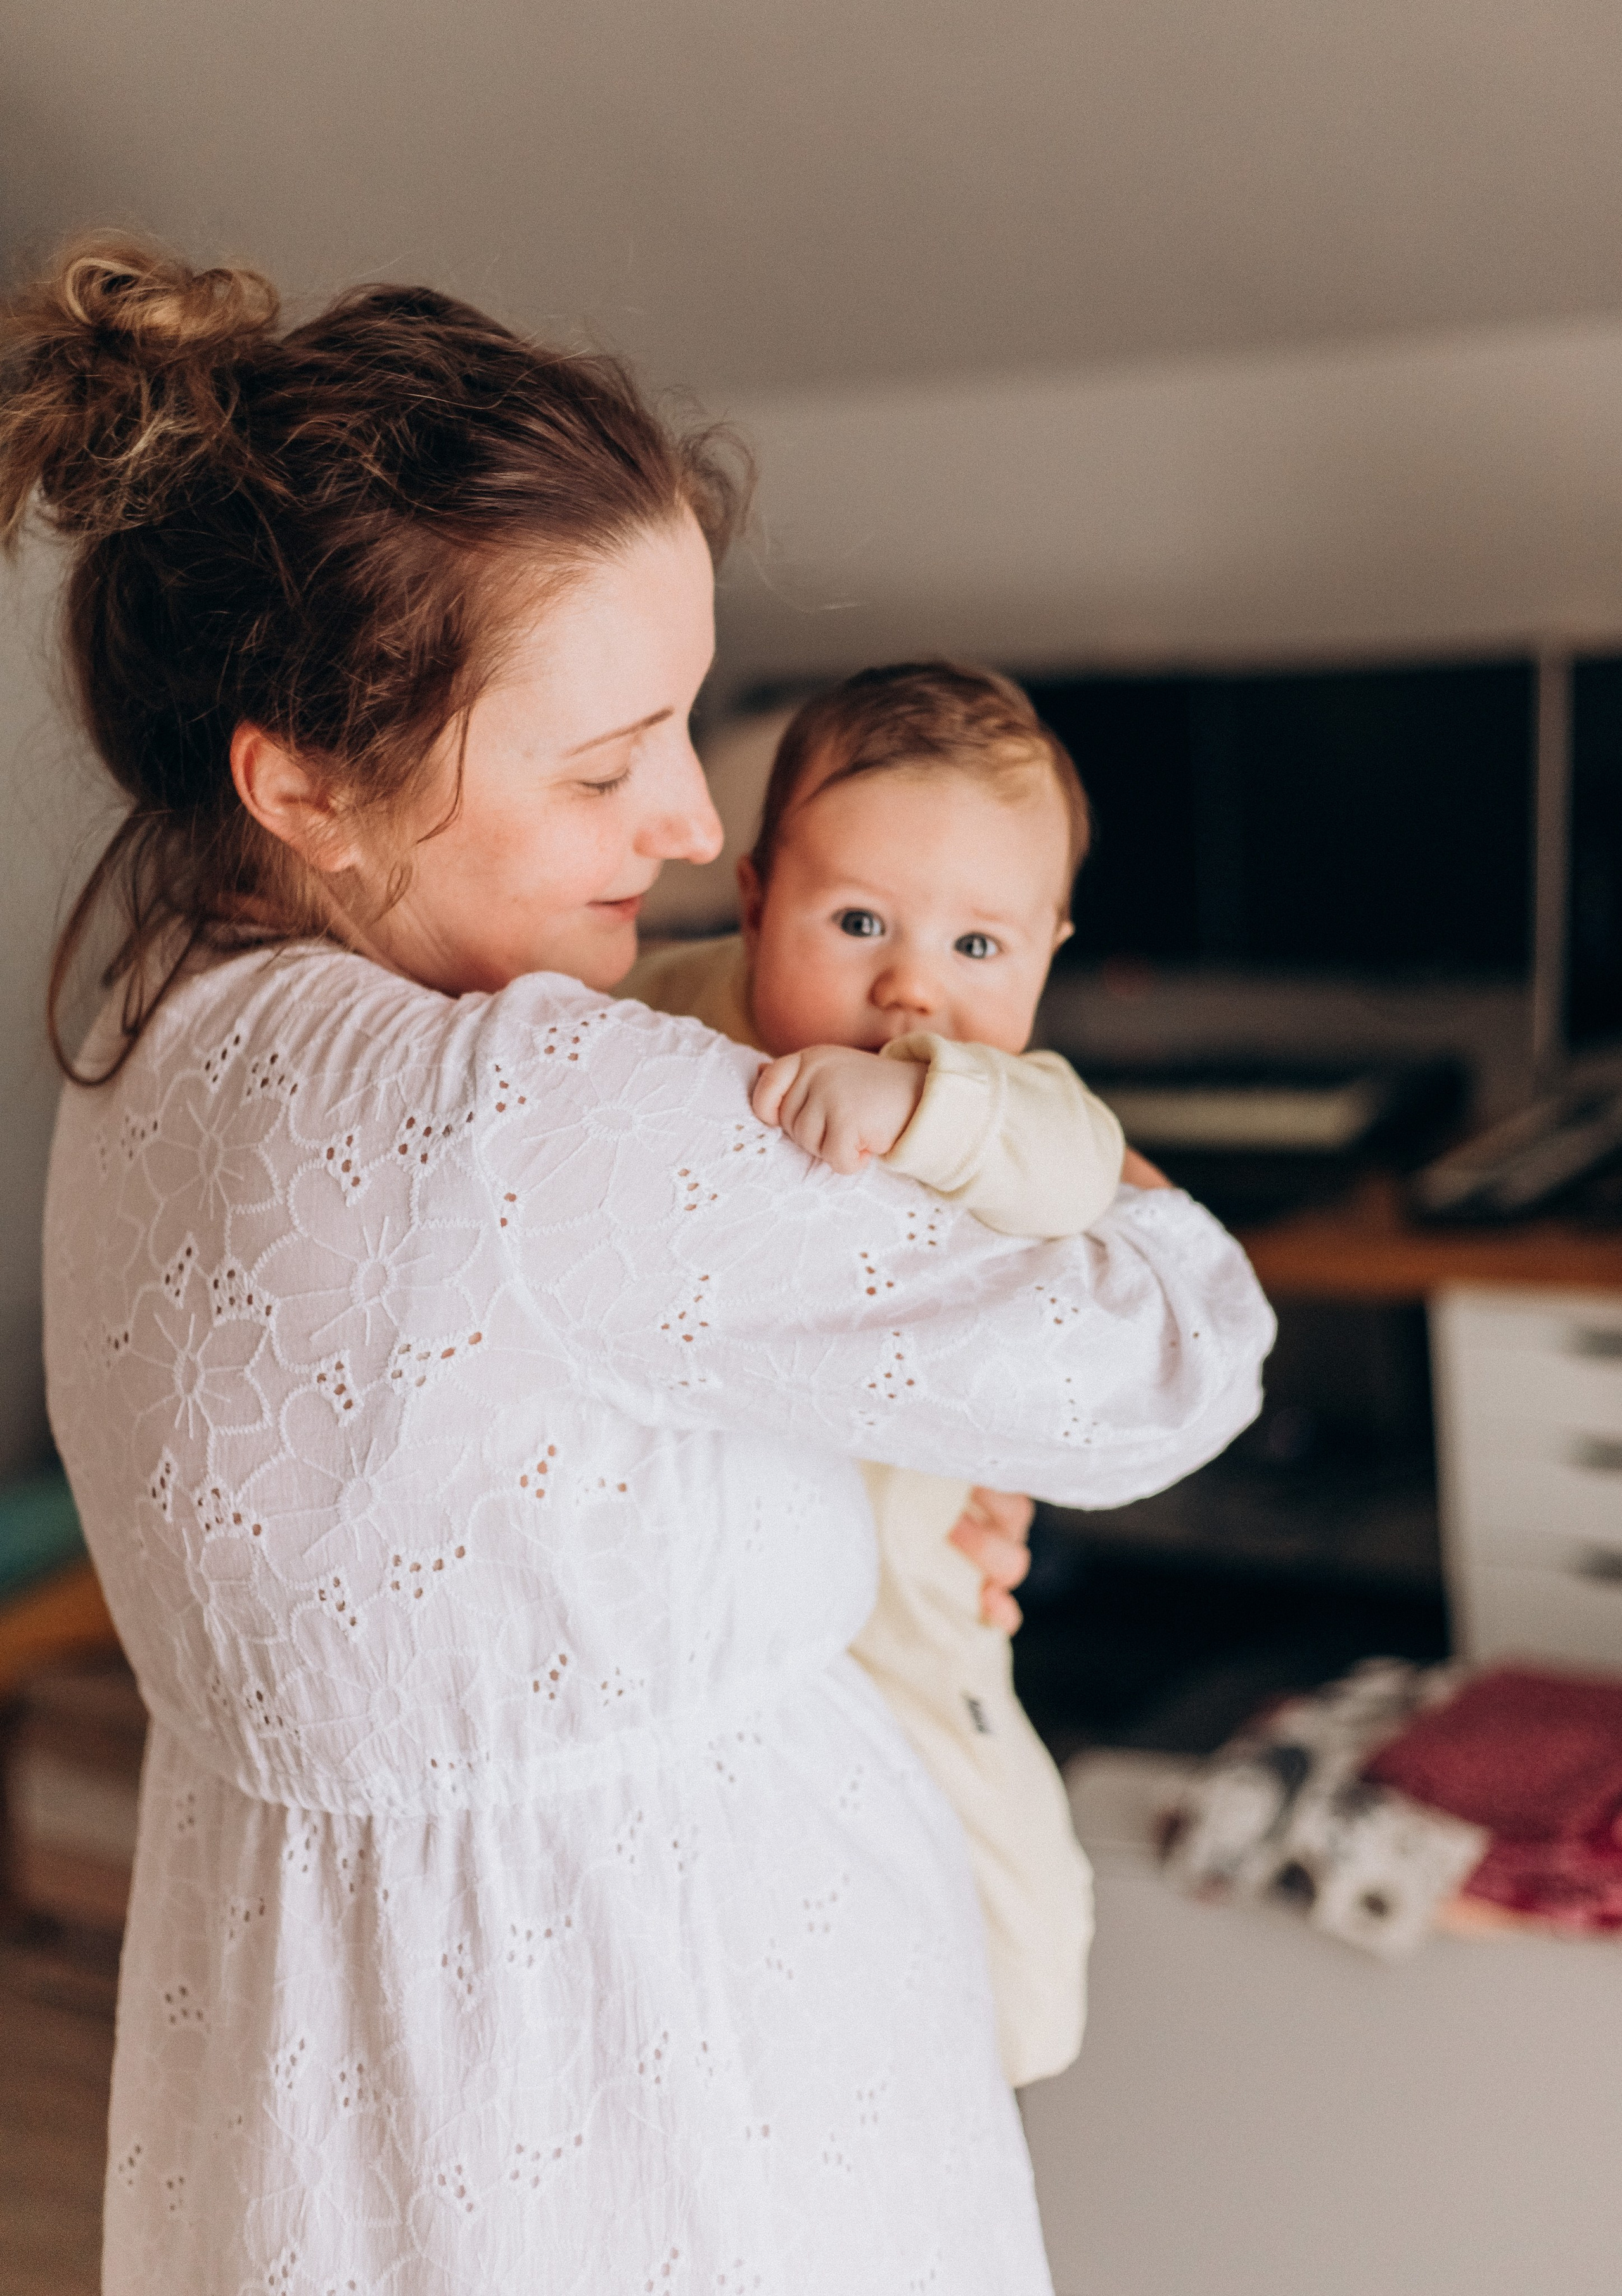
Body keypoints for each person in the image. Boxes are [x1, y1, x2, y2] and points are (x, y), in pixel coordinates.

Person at [6, 233, 1274, 2295]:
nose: (693, 824)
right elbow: (1170, 1372)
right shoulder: (533, 1105)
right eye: (602, 767)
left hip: (309, 2074)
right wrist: (1073, 1153)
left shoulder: (149, 1040)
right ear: (304, 785)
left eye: (686, 724)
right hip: (671, 2076)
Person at [626, 660, 1133, 2088]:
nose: (912, 983)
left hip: (907, 1593)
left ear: (1048, 948)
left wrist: (918, 1101)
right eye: (855, 922)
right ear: (749, 902)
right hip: (708, 1590)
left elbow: (1076, 1163)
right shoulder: (668, 1021)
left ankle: (972, 2080)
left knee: (1020, 1933)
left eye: (983, 946)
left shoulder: (1002, 1098)